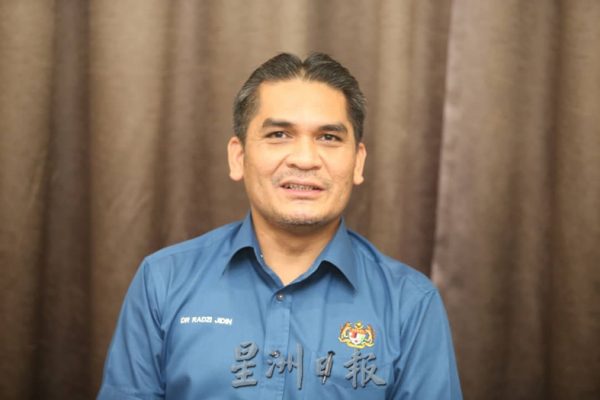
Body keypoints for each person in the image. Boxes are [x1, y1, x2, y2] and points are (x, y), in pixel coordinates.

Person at [97, 52, 462, 399]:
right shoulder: (163, 281)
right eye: (278, 135)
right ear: (238, 157)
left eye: (329, 138)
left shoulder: (410, 304)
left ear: (357, 162)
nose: (304, 159)